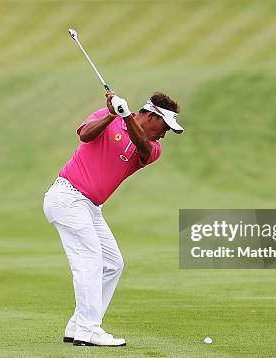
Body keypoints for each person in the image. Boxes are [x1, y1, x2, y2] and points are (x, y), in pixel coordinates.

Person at [43, 91, 183, 346]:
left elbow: (141, 145)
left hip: (90, 207)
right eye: (164, 127)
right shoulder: (107, 117)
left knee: (113, 263)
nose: (164, 135)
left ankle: (78, 325)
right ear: (152, 116)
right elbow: (85, 135)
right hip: (68, 197)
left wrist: (127, 116)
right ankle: (88, 330)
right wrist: (111, 114)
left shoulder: (153, 149)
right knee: (91, 261)